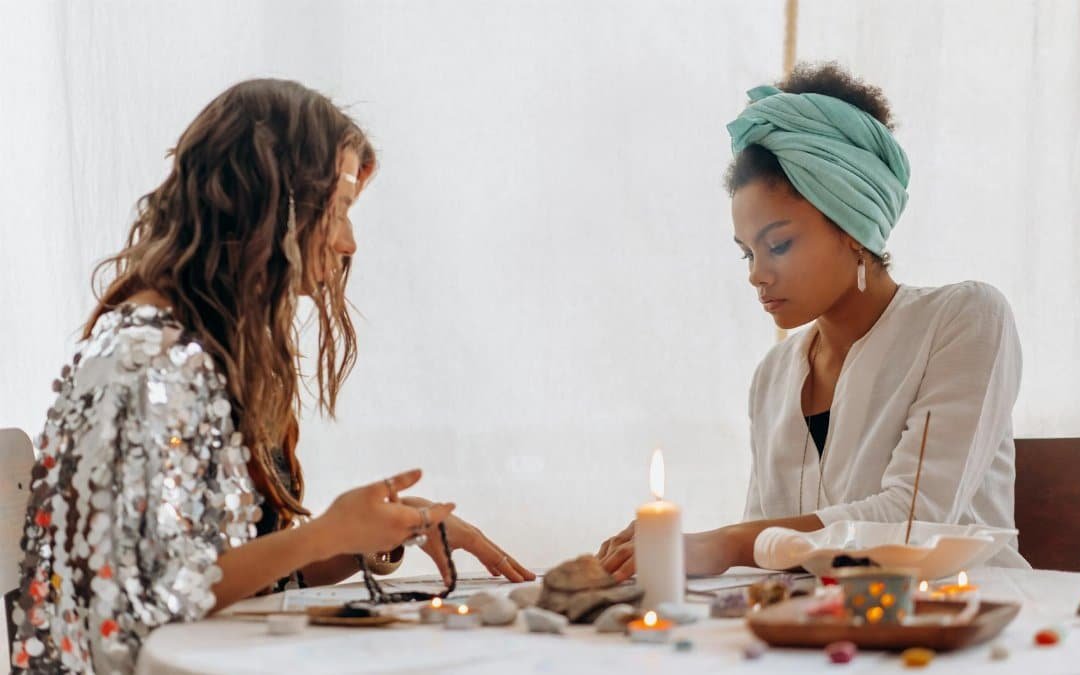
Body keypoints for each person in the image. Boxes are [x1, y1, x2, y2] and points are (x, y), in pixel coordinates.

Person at [10, 79, 533, 674]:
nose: (347, 242)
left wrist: (378, 535)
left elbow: (233, 579)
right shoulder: (143, 365)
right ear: (267, 202)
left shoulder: (208, 351)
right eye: (336, 211)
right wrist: (325, 531)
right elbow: (148, 603)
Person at [597, 62, 1026, 580]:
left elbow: (916, 520)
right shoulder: (774, 375)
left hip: (974, 632)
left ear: (853, 226)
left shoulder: (965, 319)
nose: (758, 274)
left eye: (778, 244)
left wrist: (722, 543)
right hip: (820, 638)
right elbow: (768, 549)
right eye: (746, 254)